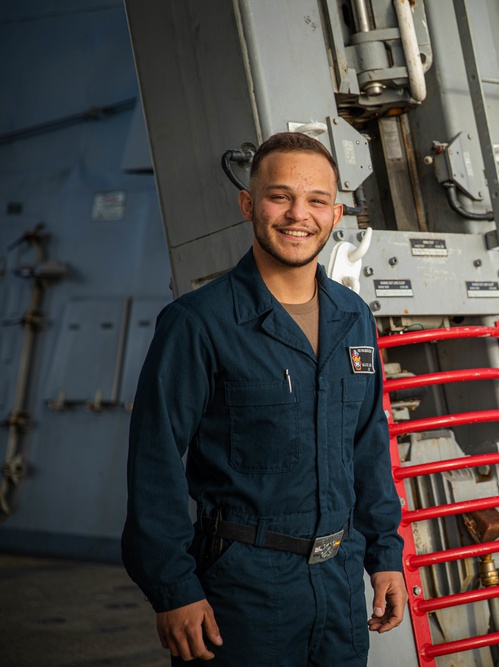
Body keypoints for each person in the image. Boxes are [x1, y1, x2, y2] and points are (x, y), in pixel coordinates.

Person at [122, 131, 405, 665]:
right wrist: (173, 588)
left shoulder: (354, 318)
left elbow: (368, 447)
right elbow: (153, 460)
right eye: (280, 196)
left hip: (341, 581)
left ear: (336, 213)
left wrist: (384, 554)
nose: (299, 214)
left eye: (317, 200)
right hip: (244, 588)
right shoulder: (198, 323)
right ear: (249, 204)